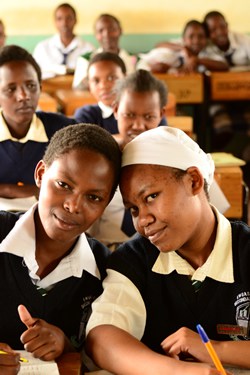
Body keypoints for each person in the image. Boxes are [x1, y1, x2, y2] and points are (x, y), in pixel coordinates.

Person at [86, 126, 250, 374]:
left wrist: (216, 350)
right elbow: (102, 339)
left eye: (151, 197)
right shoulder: (134, 260)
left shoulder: (246, 250)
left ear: (194, 181)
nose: (142, 221)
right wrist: (179, 371)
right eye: (133, 209)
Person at [0, 123, 121, 373]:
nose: (74, 206)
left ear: (106, 203)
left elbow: (96, 353)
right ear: (41, 174)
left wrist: (65, 344)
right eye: (64, 185)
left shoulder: (104, 270)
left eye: (94, 197)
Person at [87, 70, 167, 249]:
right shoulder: (96, 158)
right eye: (129, 115)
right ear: (115, 110)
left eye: (148, 117)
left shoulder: (175, 158)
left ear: (161, 114)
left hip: (160, 254)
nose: (138, 125)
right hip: (103, 252)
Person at [0, 44, 77, 210]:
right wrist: (30, 190)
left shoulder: (64, 131)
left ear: (40, 88)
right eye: (11, 89)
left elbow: (76, 186)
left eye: (31, 86)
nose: (23, 96)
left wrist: (6, 189)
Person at [203, 11, 250, 185]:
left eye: (222, 26)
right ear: (208, 34)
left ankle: (245, 163)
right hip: (219, 103)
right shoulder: (205, 47)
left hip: (246, 101)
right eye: (213, 30)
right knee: (222, 128)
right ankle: (225, 170)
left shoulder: (243, 41)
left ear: (227, 26)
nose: (219, 32)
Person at [137, 20, 228, 73]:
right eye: (191, 36)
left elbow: (224, 66)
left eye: (201, 36)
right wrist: (181, 48)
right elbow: (158, 45)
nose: (196, 41)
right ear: (184, 39)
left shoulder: (207, 49)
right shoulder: (177, 47)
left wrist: (197, 60)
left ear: (206, 39)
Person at [72, 13, 136, 89]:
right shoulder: (85, 59)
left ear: (120, 31)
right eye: (100, 31)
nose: (106, 34)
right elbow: (77, 89)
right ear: (95, 34)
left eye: (111, 29)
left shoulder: (135, 59)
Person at [33, 3, 94, 79]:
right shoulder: (42, 48)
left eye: (69, 18)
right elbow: (34, 75)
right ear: (55, 22)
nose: (64, 23)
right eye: (59, 19)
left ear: (75, 20)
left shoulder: (88, 49)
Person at [74, 52, 126, 135]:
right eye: (96, 81)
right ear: (89, 85)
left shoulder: (141, 111)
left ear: (125, 78)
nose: (103, 86)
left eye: (111, 78)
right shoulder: (86, 115)